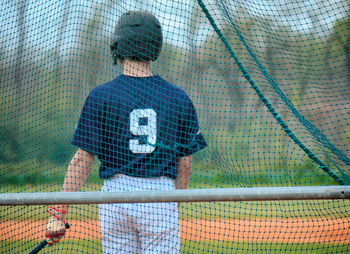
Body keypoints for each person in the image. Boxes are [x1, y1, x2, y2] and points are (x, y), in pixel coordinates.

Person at [45, 10, 207, 253]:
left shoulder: (100, 95)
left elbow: (81, 160)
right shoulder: (178, 97)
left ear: (118, 45)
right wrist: (173, 203)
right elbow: (185, 164)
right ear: (155, 45)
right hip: (159, 195)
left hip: (114, 197)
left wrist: (58, 214)